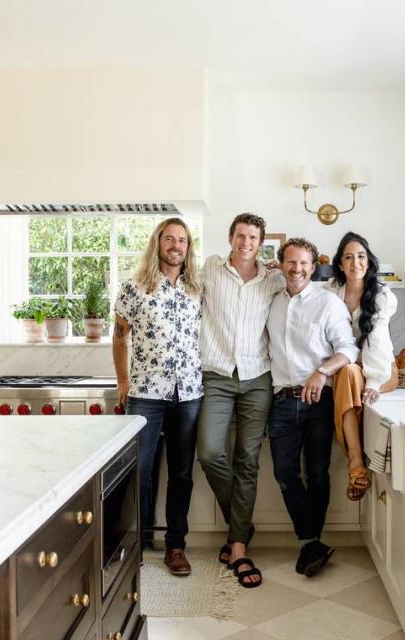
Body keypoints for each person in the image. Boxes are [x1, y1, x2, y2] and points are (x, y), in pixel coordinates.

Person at [198, 212, 284, 588]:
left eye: (253, 238)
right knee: (209, 451)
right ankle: (243, 524)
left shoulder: (274, 278)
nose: (246, 243)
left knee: (248, 459)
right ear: (230, 237)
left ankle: (237, 546)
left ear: (261, 243)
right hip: (215, 374)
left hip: (257, 378)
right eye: (241, 236)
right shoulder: (209, 270)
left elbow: (306, 289)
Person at [113, 217, 202, 577]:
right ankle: (136, 542)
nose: (176, 245)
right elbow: (120, 336)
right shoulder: (134, 288)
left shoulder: (197, 288)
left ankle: (175, 545)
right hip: (146, 392)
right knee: (141, 470)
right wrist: (122, 381)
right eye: (170, 239)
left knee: (182, 472)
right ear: (158, 243)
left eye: (182, 240)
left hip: (189, 393)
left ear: (187, 247)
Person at [267, 238, 359, 577]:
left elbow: (349, 349)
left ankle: (311, 542)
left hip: (320, 401)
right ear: (281, 264)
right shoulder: (273, 301)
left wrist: (322, 372)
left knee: (317, 475)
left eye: (304, 263)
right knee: (284, 474)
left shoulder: (328, 303)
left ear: (313, 266)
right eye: (291, 262)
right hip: (280, 401)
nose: (297, 269)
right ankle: (312, 542)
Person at [329, 232, 399, 500]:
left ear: (368, 263)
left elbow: (377, 344)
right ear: (340, 264)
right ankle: (358, 462)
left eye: (360, 257)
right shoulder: (331, 291)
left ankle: (356, 462)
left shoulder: (382, 296)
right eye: (348, 257)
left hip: (381, 370)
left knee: (348, 373)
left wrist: (373, 383)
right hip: (349, 369)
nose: (355, 263)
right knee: (346, 372)